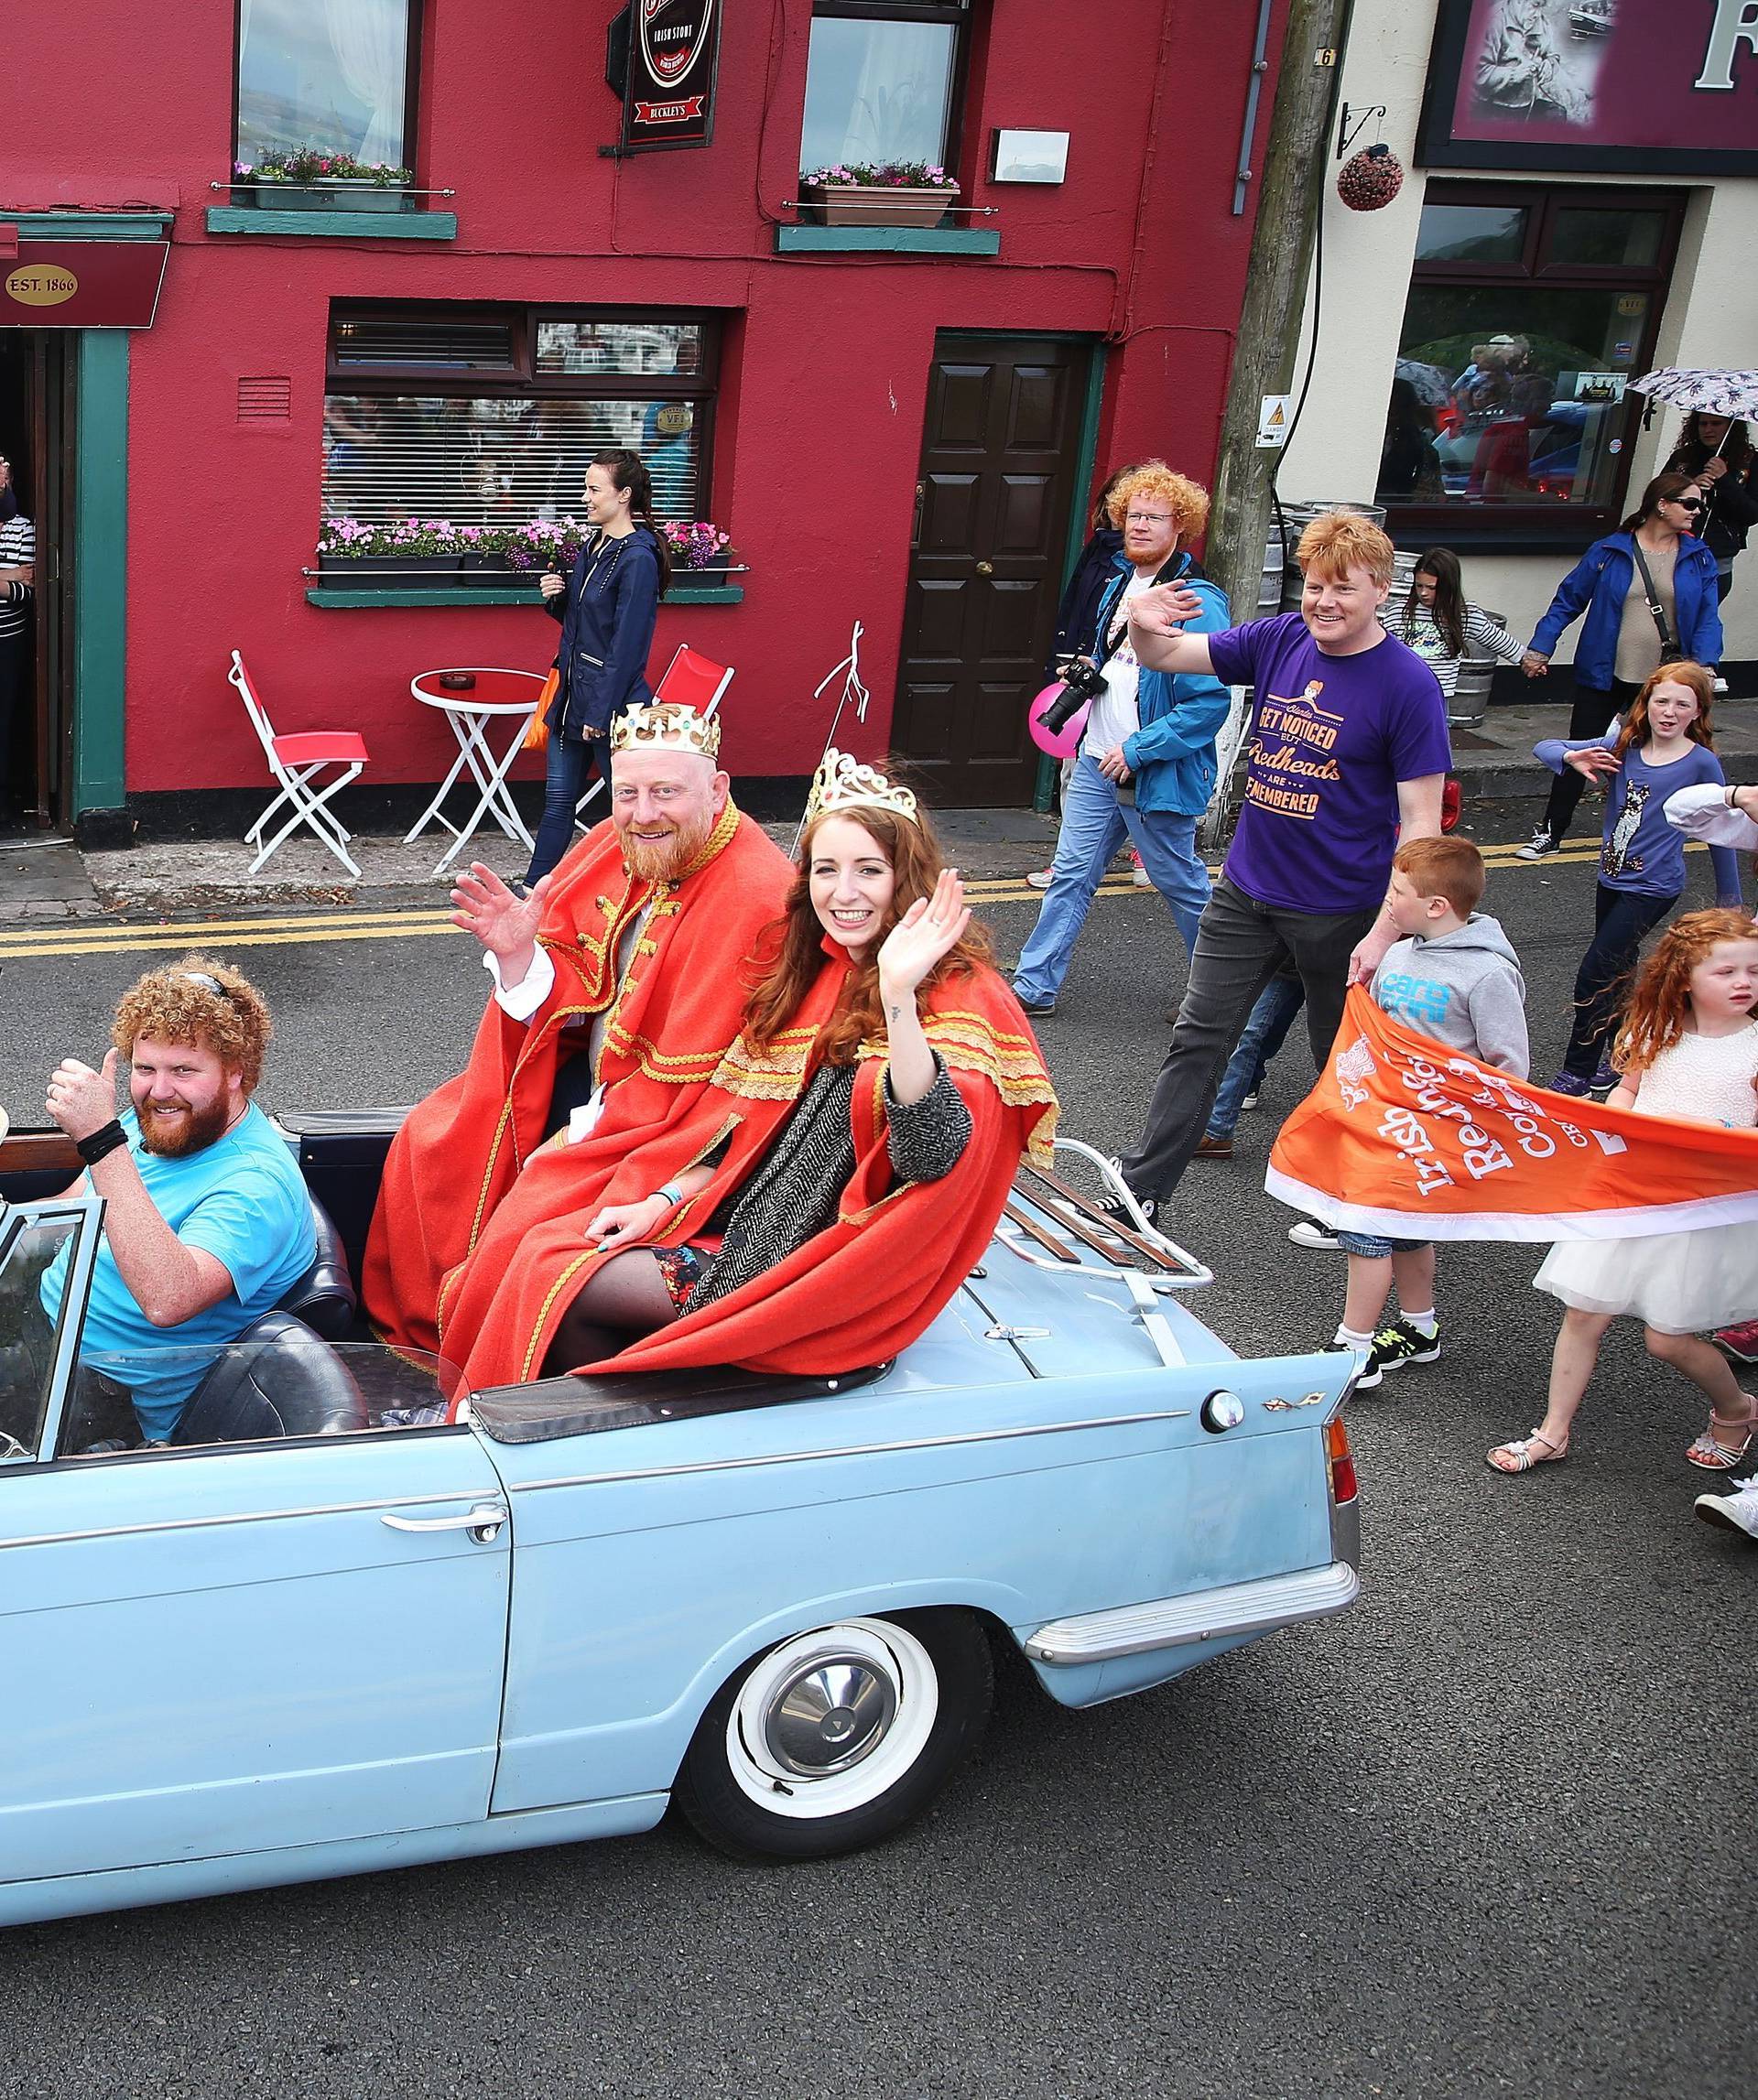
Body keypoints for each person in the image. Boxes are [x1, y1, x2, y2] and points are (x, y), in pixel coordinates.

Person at [436, 751, 1057, 1391]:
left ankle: (623, 1427)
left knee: (553, 1276)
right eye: (826, 870)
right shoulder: (822, 968)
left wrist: (898, 997)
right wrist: (664, 1200)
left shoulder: (956, 990)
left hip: (818, 1273)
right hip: (749, 1236)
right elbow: (752, 1129)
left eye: (869, 870)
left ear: (906, 876)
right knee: (544, 1246)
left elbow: (931, 1152)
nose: (844, 894)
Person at [364, 702, 793, 1362]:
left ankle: (472, 1375)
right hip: (584, 1085)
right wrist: (517, 956)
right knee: (429, 1143)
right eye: (628, 793)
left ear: (718, 789)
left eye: (666, 792)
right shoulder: (613, 844)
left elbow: (728, 1093)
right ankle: (418, 1343)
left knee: (523, 1230)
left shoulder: (760, 897)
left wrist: (587, 1136)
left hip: (664, 1129)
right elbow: (573, 981)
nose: (643, 813)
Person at [1102, 509, 1451, 1226]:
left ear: (1381, 590)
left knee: (1342, 1063)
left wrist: (1388, 931)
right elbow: (1167, 655)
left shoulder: (1408, 685)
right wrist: (1142, 616)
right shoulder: (1280, 639)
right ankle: (1141, 1194)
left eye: (1343, 589)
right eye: (1314, 585)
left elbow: (1420, 826)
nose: (1323, 602)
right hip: (1246, 891)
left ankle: (1353, 1211)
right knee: (1198, 1039)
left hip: (1341, 911)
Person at [1489, 910, 1758, 1475]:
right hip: (1636, 1195)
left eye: (1753, 971)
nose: (1743, 983)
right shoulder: (1654, 1032)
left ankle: (1735, 1409)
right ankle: (1552, 1433)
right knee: (1583, 1314)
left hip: (1702, 1208)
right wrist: (1625, 1123)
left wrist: (1725, 1139)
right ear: (1683, 977)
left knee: (1667, 1339)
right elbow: (1625, 1091)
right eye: (1726, 971)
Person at [38, 960, 317, 1448]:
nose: (159, 1091)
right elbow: (68, 1211)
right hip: (43, 1333)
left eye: (184, 1071)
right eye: (145, 1068)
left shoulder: (256, 1184)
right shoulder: (155, 1125)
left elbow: (168, 1300)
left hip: (106, 1401)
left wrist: (100, 1142)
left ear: (237, 1074)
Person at [1012, 466, 1230, 1017]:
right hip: (1094, 760)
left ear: (1181, 526)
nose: (1139, 527)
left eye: (1153, 518)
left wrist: (1137, 752)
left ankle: (1225, 990)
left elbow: (1208, 704)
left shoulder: (1197, 600)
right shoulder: (1116, 587)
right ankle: (1033, 987)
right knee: (1070, 875)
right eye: (1133, 516)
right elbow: (1126, 667)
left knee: (1178, 881)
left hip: (1146, 767)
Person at [1322, 838, 1528, 1389]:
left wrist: (1483, 1127)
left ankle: (1354, 1347)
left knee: (1368, 1226)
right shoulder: (1396, 952)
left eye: (1397, 893)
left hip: (1436, 1125)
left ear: (1437, 906)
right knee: (1406, 1229)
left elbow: (1508, 1063)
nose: (1387, 903)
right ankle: (1420, 1329)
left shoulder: (1486, 975)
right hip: (1383, 1115)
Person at [1536, 662, 1743, 1095]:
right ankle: (1620, 1058)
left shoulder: (1700, 762)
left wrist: (1730, 897)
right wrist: (1572, 756)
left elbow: (1722, 830)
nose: (1669, 712)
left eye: (1682, 704)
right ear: (1645, 704)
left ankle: (1577, 1070)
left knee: (1595, 972)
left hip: (1653, 888)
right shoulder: (1623, 745)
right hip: (1610, 879)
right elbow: (1544, 746)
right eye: (1661, 701)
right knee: (1618, 972)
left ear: (1697, 712)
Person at [1517, 471, 1724, 859]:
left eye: (1700, 505)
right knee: (1580, 749)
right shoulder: (1610, 551)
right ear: (1662, 505)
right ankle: (1550, 829)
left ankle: (1650, 837)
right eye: (1690, 504)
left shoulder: (1698, 556)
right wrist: (1541, 646)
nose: (1697, 511)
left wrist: (1707, 666)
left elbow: (1709, 616)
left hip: (1663, 679)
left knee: (1665, 756)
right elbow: (1568, 599)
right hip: (1604, 670)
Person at [525, 448, 669, 886]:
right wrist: (559, 597)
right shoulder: (595, 545)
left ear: (623, 495)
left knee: (627, 806)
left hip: (612, 708)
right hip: (573, 695)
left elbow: (628, 647)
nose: (585, 497)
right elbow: (584, 625)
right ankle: (535, 891)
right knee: (557, 800)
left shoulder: (638, 559)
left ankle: (651, 885)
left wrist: (601, 714)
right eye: (585, 488)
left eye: (593, 489)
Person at [1028, 460, 1144, 891]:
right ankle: (1068, 864)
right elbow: (1077, 607)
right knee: (1073, 771)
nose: (1133, 518)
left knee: (1128, 782)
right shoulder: (1101, 550)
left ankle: (1142, 853)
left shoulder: (1166, 570)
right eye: (1127, 507)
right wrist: (1063, 658)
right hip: (1084, 673)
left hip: (1130, 691)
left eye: (1145, 511)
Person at [1392, 548, 1524, 714]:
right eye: (1419, 586)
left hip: (1437, 697)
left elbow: (1495, 637)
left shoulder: (1463, 615)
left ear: (1448, 586)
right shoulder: (1400, 611)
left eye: (1432, 588)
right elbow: (1380, 645)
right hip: (1400, 694)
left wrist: (1525, 658)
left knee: (1434, 738)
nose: (1424, 593)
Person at [1663, 411, 1758, 604]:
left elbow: (1752, 514)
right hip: (1674, 549)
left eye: (1716, 424)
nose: (1708, 430)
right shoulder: (1683, 458)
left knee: (1700, 622)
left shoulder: (1750, 461)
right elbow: (1658, 501)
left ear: (1731, 427)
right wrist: (1689, 487)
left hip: (1717, 555)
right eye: (1703, 424)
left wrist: (1725, 480)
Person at [0, 452, 34, 820]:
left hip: (7, 640)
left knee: (4, 720)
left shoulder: (23, 527)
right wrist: (6, 578)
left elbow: (29, 591)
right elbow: (17, 581)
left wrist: (15, 584)